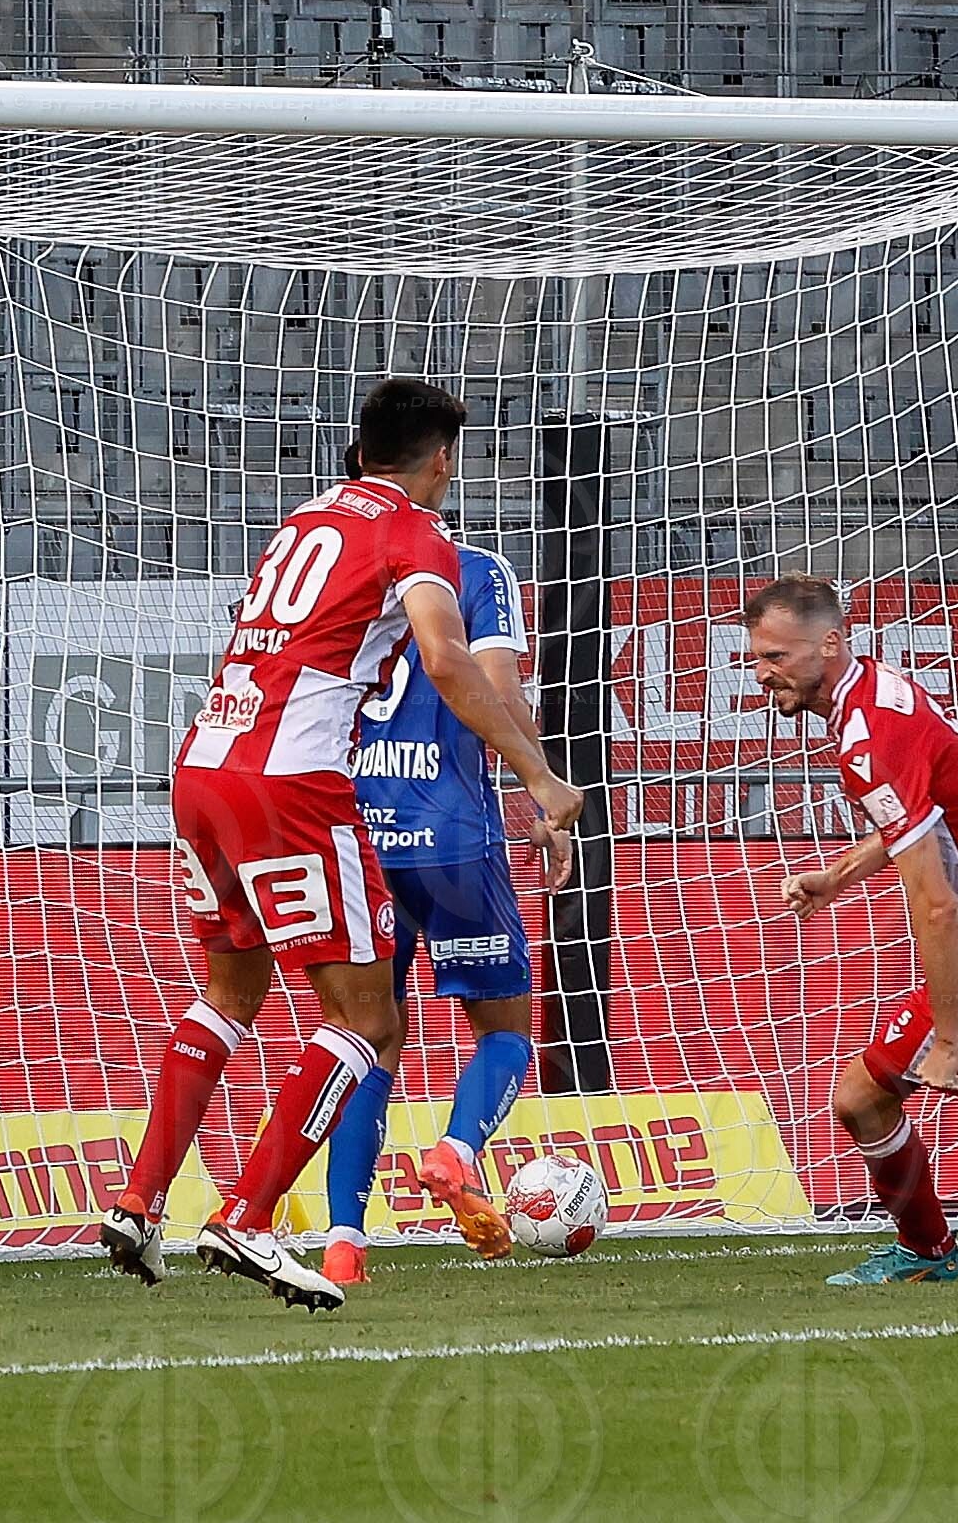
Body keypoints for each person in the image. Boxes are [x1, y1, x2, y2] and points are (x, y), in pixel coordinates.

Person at [99, 378, 582, 1313]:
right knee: (368, 1023)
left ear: (360, 451)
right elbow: (447, 660)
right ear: (443, 458)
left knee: (229, 995)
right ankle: (247, 1213)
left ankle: (138, 1199)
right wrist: (539, 775)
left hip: (206, 766)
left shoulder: (304, 519)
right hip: (296, 784)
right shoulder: (417, 533)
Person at [320, 444, 572, 1286]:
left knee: (364, 1043)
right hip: (451, 833)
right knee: (504, 1031)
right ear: (434, 465)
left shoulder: (317, 567)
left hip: (352, 834)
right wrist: (538, 791)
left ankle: (345, 1241)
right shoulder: (469, 567)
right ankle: (458, 1152)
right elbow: (494, 687)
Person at [748, 575, 958, 1287]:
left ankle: (928, 1249)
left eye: (779, 657)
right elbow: (926, 813)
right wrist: (839, 876)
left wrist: (945, 1037)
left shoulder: (865, 734)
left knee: (859, 1097)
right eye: (757, 658)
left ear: (831, 643)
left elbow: (934, 902)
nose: (764, 674)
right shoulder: (879, 694)